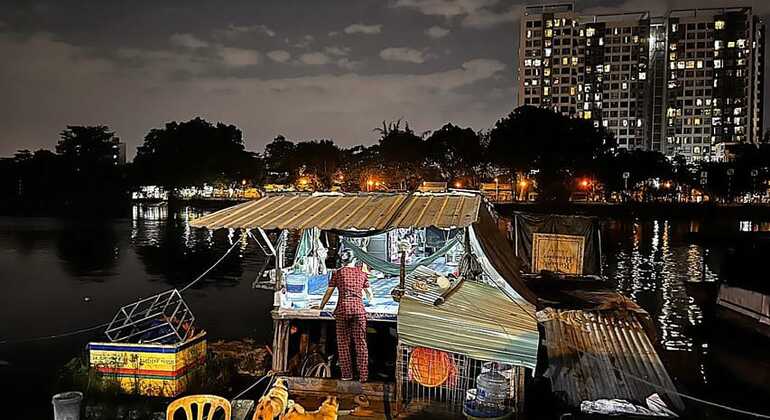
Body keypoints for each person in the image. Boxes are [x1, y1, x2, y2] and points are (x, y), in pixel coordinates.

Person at [313, 249, 374, 382]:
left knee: (343, 344)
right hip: (358, 310)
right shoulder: (362, 273)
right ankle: (363, 376)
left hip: (342, 310)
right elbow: (370, 294)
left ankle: (346, 375)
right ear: (354, 260)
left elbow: (328, 292)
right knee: (361, 344)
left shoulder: (338, 273)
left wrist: (321, 306)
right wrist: (369, 299)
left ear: (342, 261)